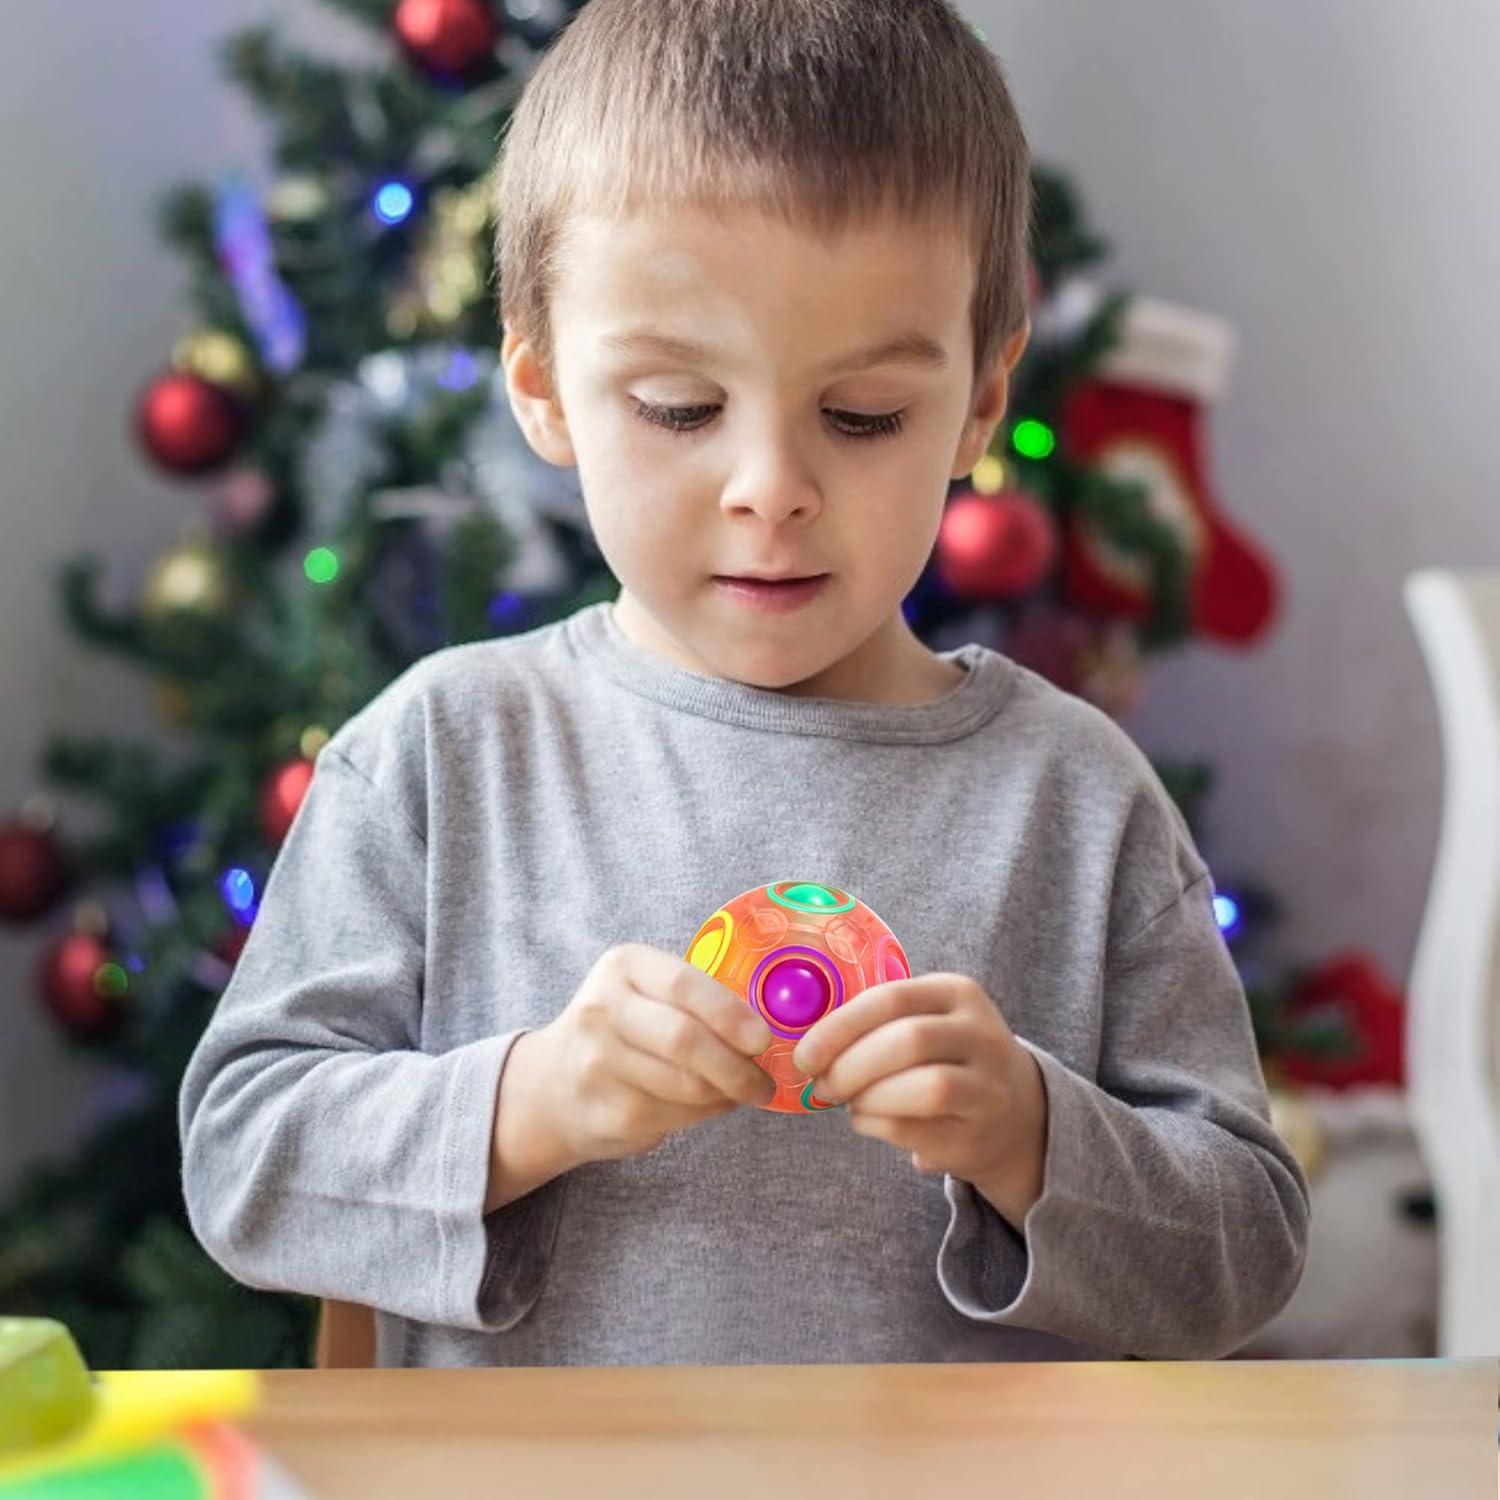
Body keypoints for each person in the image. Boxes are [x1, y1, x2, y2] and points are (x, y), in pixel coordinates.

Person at [179, 0, 1309, 1368]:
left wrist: (1029, 1134)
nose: (771, 489)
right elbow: (244, 1162)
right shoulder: (441, 758)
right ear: (541, 387)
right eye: (678, 409)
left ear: (976, 399)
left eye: (863, 416)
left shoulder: (1072, 796)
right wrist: (530, 1104)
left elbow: (1245, 1249)